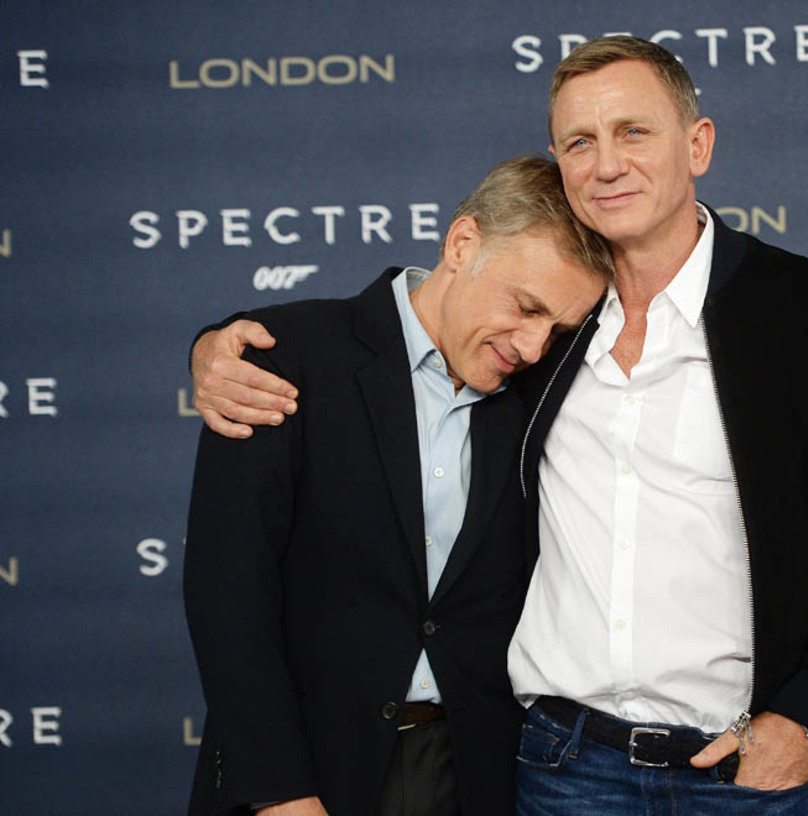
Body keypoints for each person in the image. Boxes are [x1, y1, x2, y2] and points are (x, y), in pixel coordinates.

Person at [192, 36, 808, 816]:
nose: (607, 164)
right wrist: (214, 349)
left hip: (745, 772)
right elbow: (402, 335)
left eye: (633, 131)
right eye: (580, 142)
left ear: (698, 144)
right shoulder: (545, 328)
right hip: (562, 771)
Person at [182, 155, 610, 816]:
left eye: (556, 329)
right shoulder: (281, 360)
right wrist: (279, 792)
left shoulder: (541, 394)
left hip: (474, 774)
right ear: (462, 244)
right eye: (525, 307)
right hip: (304, 770)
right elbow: (227, 594)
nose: (532, 346)